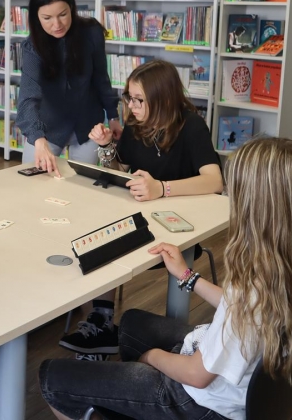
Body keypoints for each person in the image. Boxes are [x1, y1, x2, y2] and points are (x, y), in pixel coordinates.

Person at [39, 137, 292, 420]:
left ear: (256, 209)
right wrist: (187, 277)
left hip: (201, 404)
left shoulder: (253, 289)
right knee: (130, 324)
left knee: (52, 376)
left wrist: (153, 358)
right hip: (237, 389)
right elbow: (240, 307)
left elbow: (197, 375)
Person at [59, 59, 224, 358]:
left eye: (139, 100)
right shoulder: (136, 125)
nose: (131, 107)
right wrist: (107, 147)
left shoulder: (191, 126)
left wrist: (162, 188)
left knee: (107, 241)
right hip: (139, 217)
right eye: (129, 98)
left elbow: (215, 181)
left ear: (162, 99)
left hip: (178, 227)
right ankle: (102, 320)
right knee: (98, 232)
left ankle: (106, 324)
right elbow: (123, 172)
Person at [16, 0, 121, 178]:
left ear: (72, 8)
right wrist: (38, 139)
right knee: (33, 184)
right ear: (36, 17)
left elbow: (101, 78)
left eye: (63, 15)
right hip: (47, 127)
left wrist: (113, 116)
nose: (57, 24)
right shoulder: (32, 47)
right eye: (47, 18)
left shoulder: (91, 33)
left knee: (82, 185)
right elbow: (28, 99)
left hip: (88, 126)